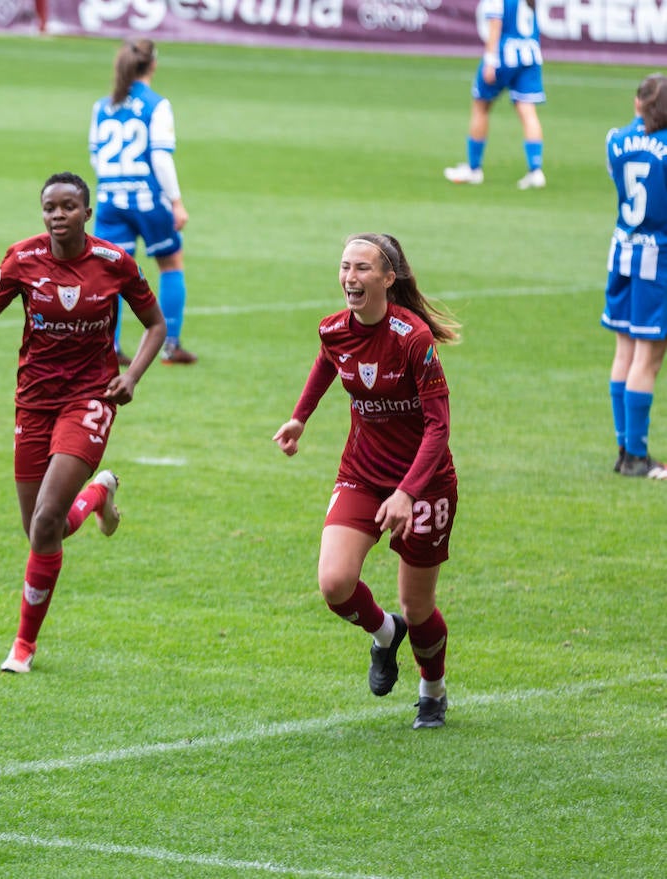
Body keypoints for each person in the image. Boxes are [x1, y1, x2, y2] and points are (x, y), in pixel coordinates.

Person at [0, 171, 166, 674]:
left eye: (69, 206)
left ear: (87, 213)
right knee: (41, 531)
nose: (58, 215)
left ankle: (23, 646)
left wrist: (131, 376)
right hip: (33, 401)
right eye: (50, 207)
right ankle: (98, 495)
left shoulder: (115, 263)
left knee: (45, 520)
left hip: (90, 399)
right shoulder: (21, 258)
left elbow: (155, 325)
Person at [272, 234, 461, 730]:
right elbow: (327, 364)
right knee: (335, 583)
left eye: (361, 269)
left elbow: (439, 427)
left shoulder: (411, 337)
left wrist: (408, 492)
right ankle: (383, 635)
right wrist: (300, 418)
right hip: (362, 473)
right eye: (344, 268)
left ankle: (433, 691)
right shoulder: (333, 329)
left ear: (387, 278)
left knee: (418, 608)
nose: (350, 278)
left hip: (423, 483)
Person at [89, 37, 197, 365]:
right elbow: (161, 158)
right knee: (170, 263)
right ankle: (170, 345)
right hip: (148, 200)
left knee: (111, 273)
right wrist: (176, 202)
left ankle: (111, 346)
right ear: (153, 64)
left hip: (110, 200)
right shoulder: (157, 105)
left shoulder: (103, 106)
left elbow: (95, 156)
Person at [603, 73, 667, 478]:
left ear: (637, 104)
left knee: (623, 351)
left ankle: (625, 449)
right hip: (658, 259)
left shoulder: (615, 140)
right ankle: (637, 458)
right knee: (649, 357)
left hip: (622, 252)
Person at [443, 0, 546, 190]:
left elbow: (495, 24)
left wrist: (490, 60)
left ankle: (474, 169)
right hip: (529, 53)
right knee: (527, 110)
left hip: (504, 55)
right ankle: (536, 171)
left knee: (480, 106)